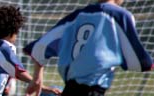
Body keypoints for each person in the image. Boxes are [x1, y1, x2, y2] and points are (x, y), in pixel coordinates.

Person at [24, 0, 154, 95]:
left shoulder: (77, 16)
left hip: (70, 89)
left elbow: (40, 47)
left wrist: (37, 77)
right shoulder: (119, 16)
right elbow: (139, 61)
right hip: (92, 88)